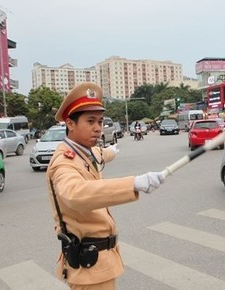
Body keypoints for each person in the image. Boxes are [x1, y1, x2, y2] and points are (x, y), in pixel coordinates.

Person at [46, 82, 165, 289]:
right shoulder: (64, 162)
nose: (98, 128)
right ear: (70, 123)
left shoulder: (85, 151)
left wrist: (111, 151)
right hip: (88, 267)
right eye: (90, 121)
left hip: (100, 262)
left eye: (100, 121)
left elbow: (100, 155)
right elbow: (75, 194)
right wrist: (134, 183)